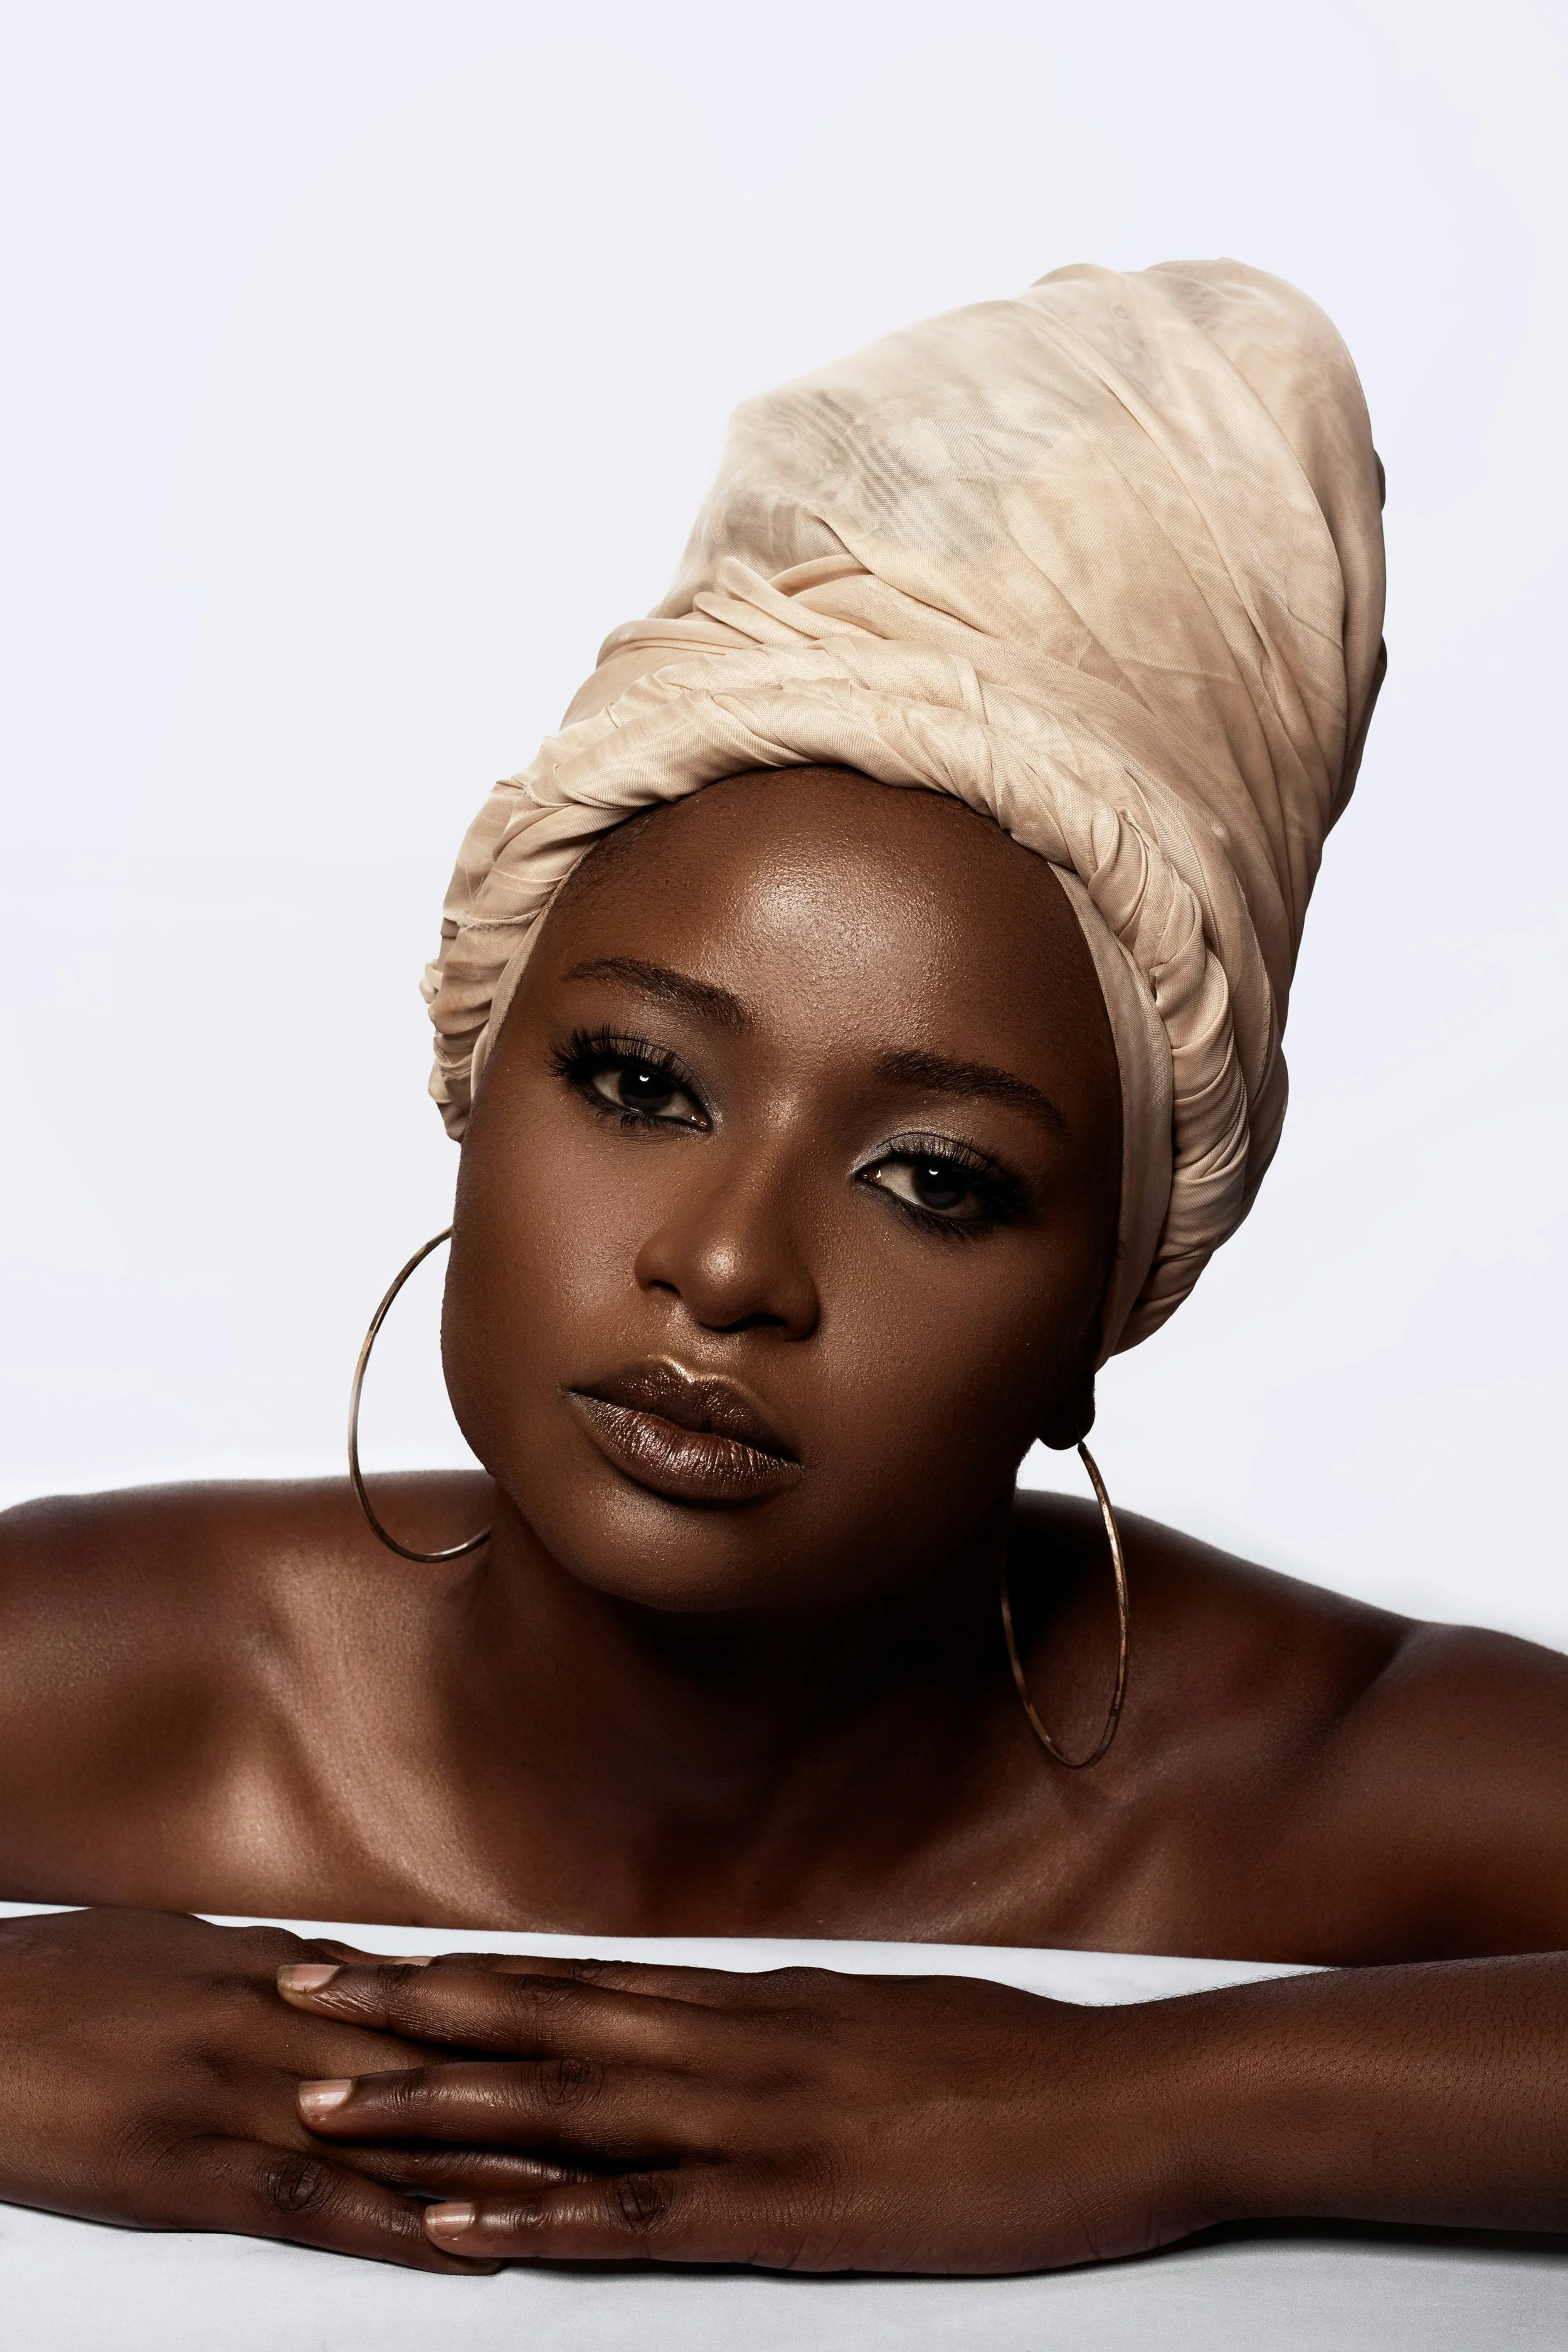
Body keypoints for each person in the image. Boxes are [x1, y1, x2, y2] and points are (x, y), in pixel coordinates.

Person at [3, 259, 1567, 2280]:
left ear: (1110, 1289)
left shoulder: (1329, 1775)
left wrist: (1153, 2100)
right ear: (478, 1082)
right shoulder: (98, 1674)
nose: (729, 1266)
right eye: (640, 1079)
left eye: (935, 1180)